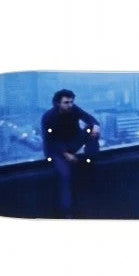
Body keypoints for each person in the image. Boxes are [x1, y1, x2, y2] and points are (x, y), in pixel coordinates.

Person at [41, 89, 100, 217]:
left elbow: (90, 119)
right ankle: (67, 212)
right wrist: (66, 154)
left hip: (71, 143)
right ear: (58, 103)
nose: (70, 105)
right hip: (55, 150)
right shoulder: (49, 117)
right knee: (65, 175)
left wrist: (95, 126)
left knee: (91, 129)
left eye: (71, 102)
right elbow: (50, 141)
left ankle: (90, 158)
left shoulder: (73, 109)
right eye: (66, 102)